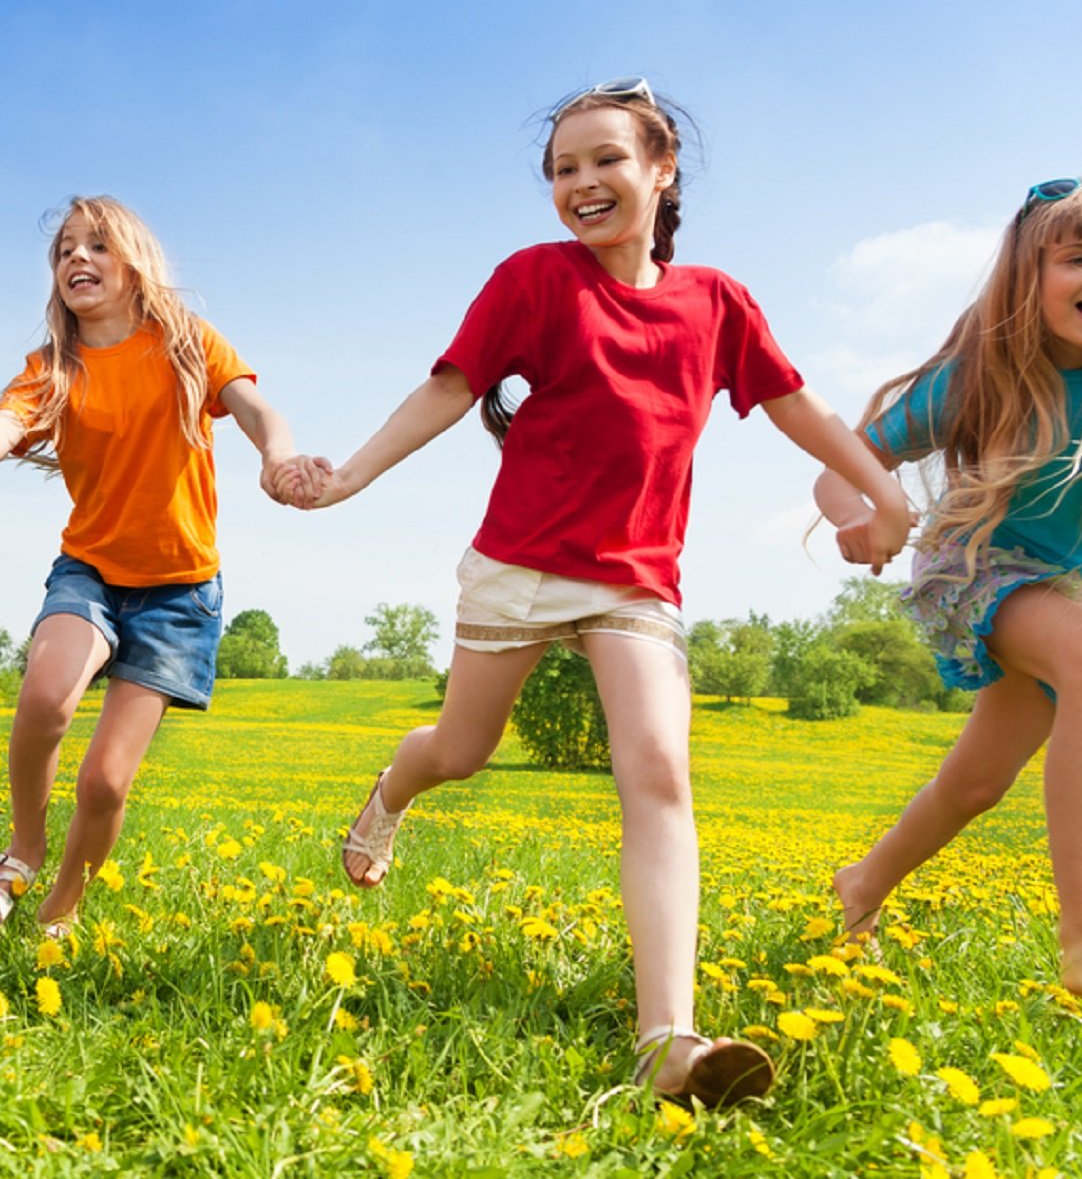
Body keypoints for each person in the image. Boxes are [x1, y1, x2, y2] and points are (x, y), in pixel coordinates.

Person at [282, 79, 911, 1106]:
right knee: (460, 750)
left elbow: (800, 408)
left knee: (659, 772)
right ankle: (388, 796)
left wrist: (882, 494)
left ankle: (669, 1039)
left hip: (635, 579)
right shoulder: (532, 281)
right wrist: (348, 475)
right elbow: (447, 387)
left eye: (604, 159)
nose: (581, 183)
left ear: (661, 169)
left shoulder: (717, 303)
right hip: (520, 562)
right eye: (562, 169)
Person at [0, 195, 311, 936]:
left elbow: (258, 411)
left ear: (135, 264)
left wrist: (278, 455)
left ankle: (59, 911)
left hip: (180, 592)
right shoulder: (52, 370)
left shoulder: (187, 343)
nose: (77, 258)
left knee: (106, 780)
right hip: (90, 571)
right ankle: (23, 849)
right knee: (47, 695)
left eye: (97, 245)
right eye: (63, 251)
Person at [820, 177, 1082, 999]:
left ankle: (863, 883)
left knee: (978, 783)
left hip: (1053, 587)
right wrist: (863, 514)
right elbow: (846, 461)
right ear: (1026, 276)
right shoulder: (977, 378)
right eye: (1078, 258)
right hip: (969, 568)